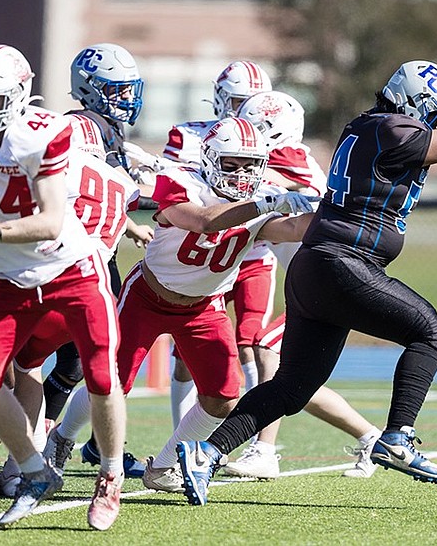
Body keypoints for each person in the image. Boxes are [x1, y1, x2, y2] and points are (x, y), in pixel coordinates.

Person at [176, 1, 437, 506]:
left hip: (319, 265)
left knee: (294, 384)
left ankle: (205, 455)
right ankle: (397, 436)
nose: (434, 127)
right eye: (432, 116)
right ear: (413, 107)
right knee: (432, 334)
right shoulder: (391, 128)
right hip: (343, 262)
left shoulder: (368, 126)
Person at [0, 43, 128, 530]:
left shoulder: (44, 134)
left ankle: (111, 474)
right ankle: (36, 472)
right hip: (12, 281)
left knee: (100, 376)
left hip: (72, 272)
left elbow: (52, 222)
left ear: (19, 97)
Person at [103, 116, 314, 494]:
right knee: (110, 384)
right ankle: (66, 444)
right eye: (232, 164)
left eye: (250, 165)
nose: (242, 175)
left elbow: (296, 230)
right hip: (148, 296)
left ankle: (164, 465)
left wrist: (343, 206)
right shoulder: (185, 183)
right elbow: (203, 222)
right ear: (212, 159)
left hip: (203, 305)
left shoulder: (260, 199)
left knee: (223, 396)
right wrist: (265, 202)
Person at [217, 90, 381, 480]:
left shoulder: (285, 160)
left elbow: (260, 186)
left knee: (267, 352)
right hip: (318, 281)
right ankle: (372, 438)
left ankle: (265, 450)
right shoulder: (287, 161)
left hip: (327, 279)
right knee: (295, 380)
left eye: (254, 128)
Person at [34, 43, 152, 480]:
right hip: (70, 258)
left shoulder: (111, 133)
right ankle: (24, 445)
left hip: (100, 255)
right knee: (47, 358)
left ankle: (58, 445)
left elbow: (106, 196)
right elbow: (74, 193)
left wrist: (129, 226)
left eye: (128, 89)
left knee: (78, 363)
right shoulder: (78, 128)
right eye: (115, 89)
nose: (125, 97)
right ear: (89, 89)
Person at [162, 60, 273, 432]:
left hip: (251, 250)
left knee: (251, 343)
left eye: (255, 101)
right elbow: (178, 191)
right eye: (240, 100)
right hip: (200, 251)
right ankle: (183, 440)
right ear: (223, 98)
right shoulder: (189, 136)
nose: (247, 109)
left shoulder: (277, 141)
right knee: (184, 353)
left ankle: (253, 439)